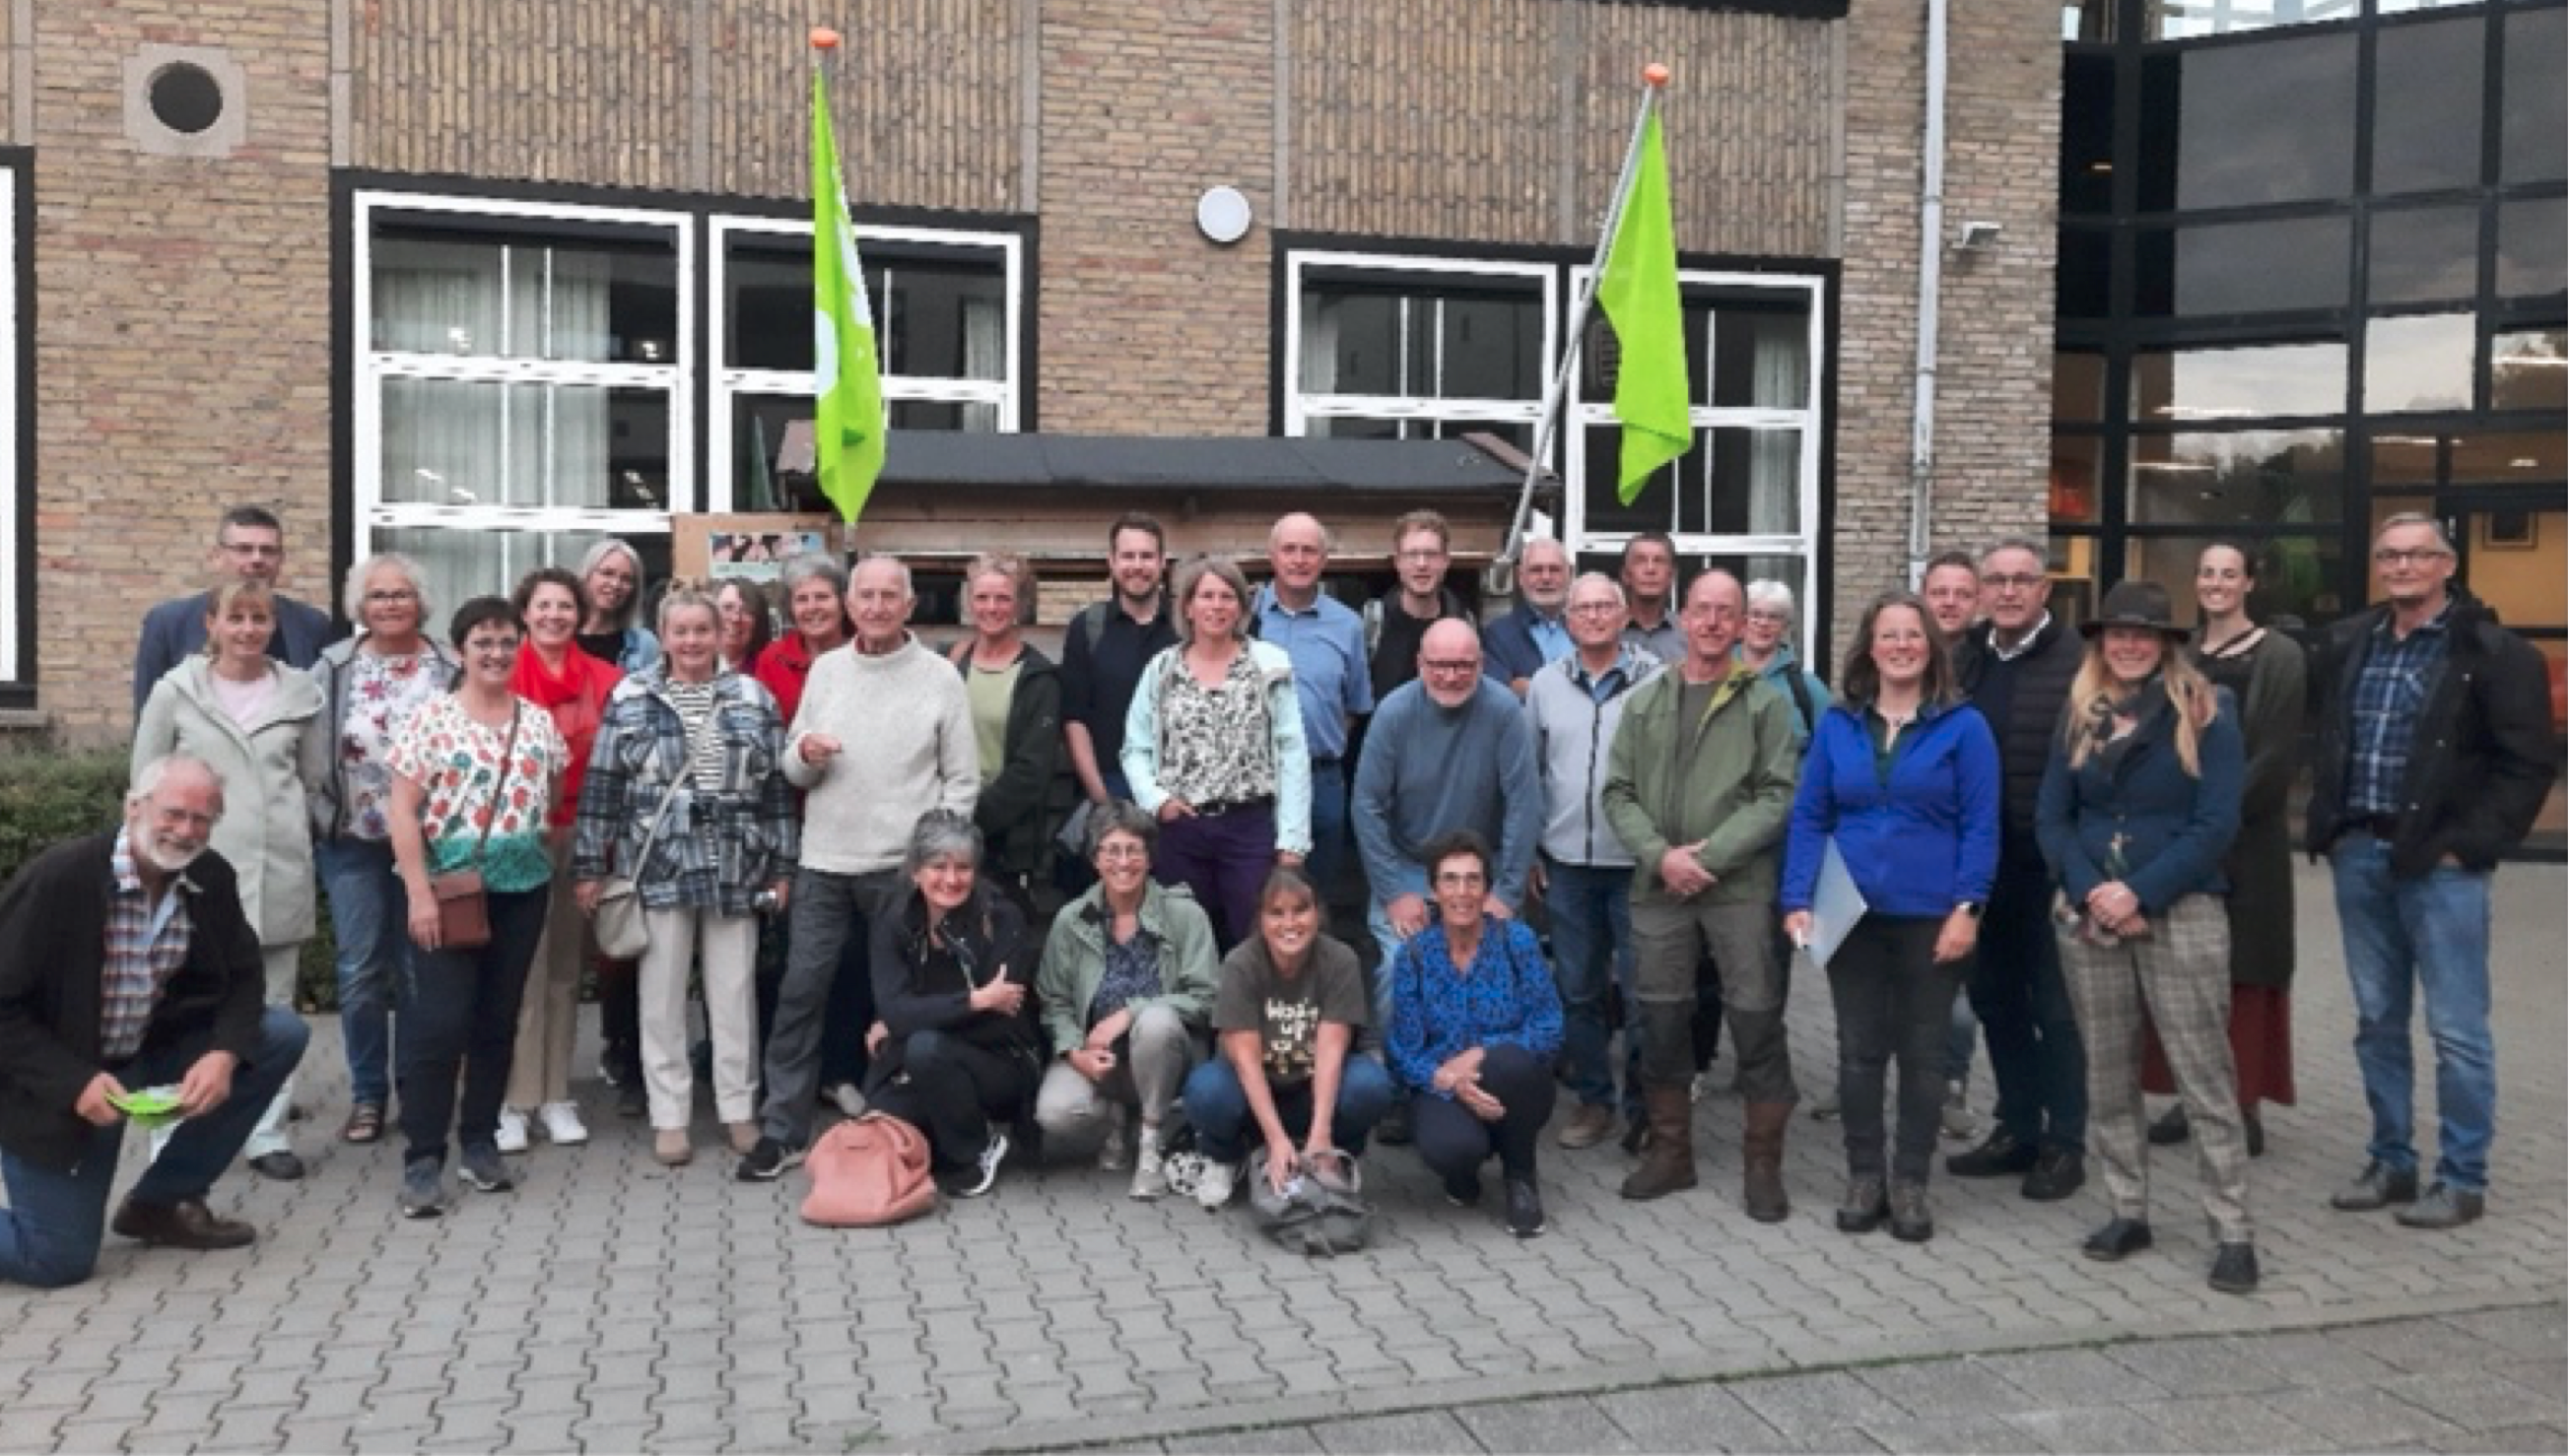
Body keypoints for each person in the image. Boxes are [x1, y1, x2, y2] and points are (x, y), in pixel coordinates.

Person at [2308, 513, 2555, 1230]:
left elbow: (2527, 765)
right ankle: (2391, 1161)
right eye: (2389, 555)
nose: (2402, 566)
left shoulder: (2493, 652)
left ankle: (2462, 1176)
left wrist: (2468, 846)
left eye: (2418, 555)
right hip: (2362, 855)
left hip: (2442, 869)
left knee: (2456, 1029)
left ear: (2448, 564)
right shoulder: (2353, 642)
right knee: (2377, 1021)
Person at [0, 757, 311, 1289]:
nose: (185, 831)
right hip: (53, 1084)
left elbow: (243, 978)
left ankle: (159, 1204)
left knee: (279, 1034)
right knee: (56, 1260)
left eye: (202, 819)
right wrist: (73, 1084)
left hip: (138, 1060)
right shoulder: (62, 879)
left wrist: (223, 1054)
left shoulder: (209, 877)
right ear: (134, 807)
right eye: (173, 814)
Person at [2037, 578, 2254, 1292]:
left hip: (2180, 908)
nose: (2128, 645)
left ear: (2164, 643)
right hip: (2091, 912)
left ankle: (2231, 1227)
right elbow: (2053, 818)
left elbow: (2216, 824)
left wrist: (2142, 890)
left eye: (2143, 633)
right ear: (2101, 641)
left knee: (2204, 1078)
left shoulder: (2206, 711)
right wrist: (2091, 889)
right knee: (2106, 1072)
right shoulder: (2078, 714)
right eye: (2116, 633)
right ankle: (2127, 1208)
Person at [740, 556, 979, 1182]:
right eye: (864, 596)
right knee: (801, 992)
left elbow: (962, 780)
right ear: (850, 605)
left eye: (887, 596)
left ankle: (899, 1126)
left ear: (908, 605)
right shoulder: (826, 669)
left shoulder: (938, 678)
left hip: (903, 870)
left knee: (903, 1001)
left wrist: (932, 859)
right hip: (825, 861)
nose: (874, 606)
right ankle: (782, 1128)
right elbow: (793, 765)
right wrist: (806, 755)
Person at [1781, 591, 1998, 1244]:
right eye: (1889, 636)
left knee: (1925, 1056)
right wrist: (1795, 899)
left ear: (1930, 647)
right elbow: (1810, 815)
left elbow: (1981, 825)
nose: (1901, 646)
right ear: (1868, 649)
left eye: (1913, 635)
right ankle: (1863, 1176)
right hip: (1851, 916)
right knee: (1858, 1053)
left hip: (1932, 915)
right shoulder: (1838, 725)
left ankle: (1910, 1182)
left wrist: (1969, 907)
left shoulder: (1964, 727)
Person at [574, 585, 797, 1168]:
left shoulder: (753, 696)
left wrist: (782, 866)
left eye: (704, 630)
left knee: (733, 996)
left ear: (720, 635)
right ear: (664, 636)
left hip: (736, 866)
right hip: (660, 865)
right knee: (661, 998)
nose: (694, 641)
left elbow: (775, 791)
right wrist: (591, 865)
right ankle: (669, 1116)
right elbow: (602, 788)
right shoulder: (632, 695)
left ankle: (738, 1110)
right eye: (682, 631)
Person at [1600, 569, 1799, 1216]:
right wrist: (1661, 857)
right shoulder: (1646, 701)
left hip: (1736, 885)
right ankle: (1671, 1153)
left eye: (1726, 613)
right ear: (1682, 619)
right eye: (1702, 611)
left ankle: (1763, 1166)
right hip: (1659, 887)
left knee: (1754, 1015)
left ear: (1743, 625)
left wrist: (1709, 857)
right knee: (1659, 1018)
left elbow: (1778, 794)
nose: (1713, 623)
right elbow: (1618, 792)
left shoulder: (1764, 703)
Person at [133, 580, 329, 1183]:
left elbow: (314, 779)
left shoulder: (302, 694)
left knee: (272, 1007)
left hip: (277, 874)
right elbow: (144, 780)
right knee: (179, 1006)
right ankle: (169, 1133)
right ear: (211, 625)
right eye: (235, 618)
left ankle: (264, 1133)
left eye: (260, 619)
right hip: (193, 877)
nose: (248, 629)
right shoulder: (176, 691)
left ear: (273, 626)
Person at [384, 596, 570, 1219]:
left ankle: (480, 1142)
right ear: (460, 651)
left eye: (504, 642)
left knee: (498, 1020)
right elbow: (402, 811)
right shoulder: (431, 721)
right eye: (481, 643)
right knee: (439, 1024)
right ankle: (423, 1157)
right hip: (448, 891)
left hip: (522, 888)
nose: (495, 653)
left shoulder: (538, 722)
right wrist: (417, 892)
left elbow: (547, 800)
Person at [2147, 544, 2308, 1157]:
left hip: (2247, 839)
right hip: (2180, 840)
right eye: (2207, 573)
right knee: (2185, 973)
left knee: (2243, 971)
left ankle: (2241, 1107)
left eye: (2228, 574)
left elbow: (2273, 754)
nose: (2216, 584)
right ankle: (2193, 1099)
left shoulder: (2279, 655)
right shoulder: (2181, 653)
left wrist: (2210, 818)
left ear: (2248, 583)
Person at [1947, 539, 2089, 1203]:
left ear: (2044, 590)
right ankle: (2016, 1126)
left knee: (2055, 1011)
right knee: (1995, 1002)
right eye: (1996, 580)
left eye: (2021, 580)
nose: (2007, 591)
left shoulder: (2077, 664)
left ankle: (2066, 1142)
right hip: (1981, 867)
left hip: (2047, 867)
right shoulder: (1964, 657)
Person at [308, 554, 455, 1147]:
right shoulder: (334, 666)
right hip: (354, 843)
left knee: (422, 966)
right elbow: (311, 748)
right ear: (358, 607)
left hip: (429, 843)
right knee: (360, 969)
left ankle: (418, 1087)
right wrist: (318, 813)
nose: (390, 604)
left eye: (401, 594)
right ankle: (368, 1094)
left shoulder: (447, 665)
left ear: (420, 602)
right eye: (378, 596)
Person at [1352, 619, 1542, 1074]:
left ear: (1480, 664)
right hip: (1409, 863)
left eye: (1463, 665)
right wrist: (1393, 892)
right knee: (1400, 965)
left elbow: (1523, 802)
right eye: (1439, 665)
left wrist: (1508, 892)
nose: (1451, 676)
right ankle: (1401, 1079)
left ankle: (1479, 1072)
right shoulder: (1394, 713)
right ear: (1420, 663)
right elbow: (1367, 805)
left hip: (1481, 867)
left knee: (1487, 965)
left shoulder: (1504, 712)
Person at [1521, 572, 1662, 1152]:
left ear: (1625, 614)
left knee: (1640, 992)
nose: (1596, 616)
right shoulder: (1546, 686)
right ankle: (1593, 1101)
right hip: (1568, 864)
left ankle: (1644, 1110)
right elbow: (1529, 773)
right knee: (1577, 990)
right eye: (1585, 608)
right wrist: (1530, 847)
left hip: (1637, 863)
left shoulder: (1657, 680)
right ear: (1569, 620)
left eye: (1606, 606)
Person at [1121, 555, 1314, 950]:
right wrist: (1157, 801)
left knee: (1256, 936)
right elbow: (1135, 748)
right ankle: (1188, 1013)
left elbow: (1292, 751)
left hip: (1248, 827)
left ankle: (1249, 1012)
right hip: (1182, 829)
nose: (1216, 606)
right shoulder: (1161, 670)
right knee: (1183, 940)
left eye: (1227, 597)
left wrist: (1292, 840)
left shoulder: (1269, 665)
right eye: (1206, 596)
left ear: (1242, 608)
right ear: (1188, 607)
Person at [1183, 864, 1397, 1213]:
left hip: (1312, 1092)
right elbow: (1246, 1063)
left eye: (1301, 910)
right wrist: (1276, 1139)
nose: (1290, 924)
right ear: (1261, 920)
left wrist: (1320, 1136)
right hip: (1252, 1093)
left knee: (1370, 1084)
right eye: (1277, 913)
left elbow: (1331, 1052)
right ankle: (1225, 1157)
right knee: (1205, 1090)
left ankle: (1334, 1157)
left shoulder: (1340, 960)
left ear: (1318, 913)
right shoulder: (1240, 964)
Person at [1033, 804, 1219, 1199]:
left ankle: (1150, 1143)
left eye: (1133, 850)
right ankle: (1117, 1117)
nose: (1123, 862)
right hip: (1100, 1059)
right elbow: (1054, 1001)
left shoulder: (1185, 915)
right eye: (1111, 850)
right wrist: (1073, 1051)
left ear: (1150, 858)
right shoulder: (1071, 920)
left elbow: (1207, 998)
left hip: (1170, 1053)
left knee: (1154, 1021)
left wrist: (1130, 1012)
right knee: (1054, 1112)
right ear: (1095, 858)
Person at [498, 567, 623, 1151]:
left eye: (565, 607)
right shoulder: (498, 674)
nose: (554, 616)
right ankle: (514, 1099)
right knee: (519, 968)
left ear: (580, 615)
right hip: (514, 835)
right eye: (543, 606)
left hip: (582, 831)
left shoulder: (608, 679)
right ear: (525, 613)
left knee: (566, 969)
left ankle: (556, 1094)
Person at [1387, 831, 1563, 1238]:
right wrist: (1449, 1080)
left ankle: (1521, 1179)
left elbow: (1550, 1025)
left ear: (1487, 889)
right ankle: (1462, 1175)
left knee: (1509, 1062)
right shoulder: (1414, 955)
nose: (1462, 892)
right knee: (1449, 1148)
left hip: (1513, 1081)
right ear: (1433, 890)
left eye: (1473, 880)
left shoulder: (1516, 941)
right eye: (1450, 880)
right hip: (1445, 1084)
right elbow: (1402, 1050)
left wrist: (1480, 1055)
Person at [862, 811, 1040, 1199]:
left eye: (963, 867)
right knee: (880, 1112)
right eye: (937, 866)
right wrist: (975, 1000)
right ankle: (948, 1141)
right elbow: (893, 1011)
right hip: (925, 1059)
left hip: (1000, 1061)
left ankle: (975, 1151)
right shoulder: (893, 920)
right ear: (915, 872)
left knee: (926, 1047)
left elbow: (1002, 1020)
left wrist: (913, 1018)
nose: (951, 879)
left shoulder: (1002, 917)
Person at [1252, 512, 1373, 898]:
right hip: (1256, 780)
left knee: (1315, 898)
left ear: (1323, 560)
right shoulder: (1243, 616)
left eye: (1309, 551)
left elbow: (1354, 705)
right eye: (1289, 550)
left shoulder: (1348, 626)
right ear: (1272, 556)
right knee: (1254, 894)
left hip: (1322, 778)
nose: (1299, 560)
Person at [133, 505, 333, 719]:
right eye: (244, 549)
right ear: (216, 557)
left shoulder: (311, 625)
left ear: (281, 560)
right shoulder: (169, 623)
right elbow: (149, 717)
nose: (257, 559)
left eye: (268, 551)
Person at [946, 554, 1062, 909]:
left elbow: (1032, 770)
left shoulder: (1039, 678)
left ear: (1020, 606)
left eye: (1003, 598)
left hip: (1004, 839)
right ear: (969, 602)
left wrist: (970, 818)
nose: (991, 607)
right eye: (982, 598)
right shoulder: (949, 664)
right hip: (945, 832)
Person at [1919, 548, 1988, 1141]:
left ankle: (1952, 1084)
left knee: (1957, 986)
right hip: (1907, 852)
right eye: (1939, 591)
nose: (1949, 603)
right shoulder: (1904, 654)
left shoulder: (1989, 664)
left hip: (1964, 848)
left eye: (1961, 593)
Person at [1060, 512, 1180, 819]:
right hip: (1110, 785)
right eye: (1128, 556)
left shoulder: (1185, 628)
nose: (1137, 565)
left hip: (1177, 792)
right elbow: (1075, 718)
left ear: (1162, 562)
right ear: (1111, 562)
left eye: (1146, 556)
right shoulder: (1087, 628)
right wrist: (1100, 796)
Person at [1365, 509, 1474, 704]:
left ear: (1446, 561)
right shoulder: (1373, 623)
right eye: (1412, 554)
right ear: (1397, 562)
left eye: (1431, 554)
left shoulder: (1466, 623)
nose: (1421, 564)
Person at [753, 554, 849, 729]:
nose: (812, 607)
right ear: (790, 608)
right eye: (802, 599)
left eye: (822, 597)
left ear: (843, 602)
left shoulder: (865, 652)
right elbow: (763, 728)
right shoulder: (772, 660)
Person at [1739, 580, 1832, 746]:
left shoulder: (1809, 689)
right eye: (1756, 615)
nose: (1763, 623)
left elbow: (1830, 751)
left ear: (1785, 627)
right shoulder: (1717, 675)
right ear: (1741, 621)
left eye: (1773, 617)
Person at [1480, 537, 1576, 695]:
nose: (1546, 578)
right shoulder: (1498, 635)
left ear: (1570, 574)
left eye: (1554, 570)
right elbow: (1497, 693)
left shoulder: (1587, 627)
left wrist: (1526, 686)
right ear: (1520, 577)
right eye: (1536, 570)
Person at [574, 538, 662, 676]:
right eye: (607, 573)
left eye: (626, 579)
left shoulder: (644, 645)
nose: (616, 584)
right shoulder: (560, 638)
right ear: (587, 575)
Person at [1618, 532, 1684, 665]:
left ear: (1672, 575)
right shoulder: (1607, 630)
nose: (1650, 569)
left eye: (1659, 561)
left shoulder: (1689, 634)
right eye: (1640, 561)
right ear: (1625, 574)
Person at [716, 578, 775, 673]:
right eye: (728, 608)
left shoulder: (771, 670)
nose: (736, 618)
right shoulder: (692, 664)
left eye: (746, 611)